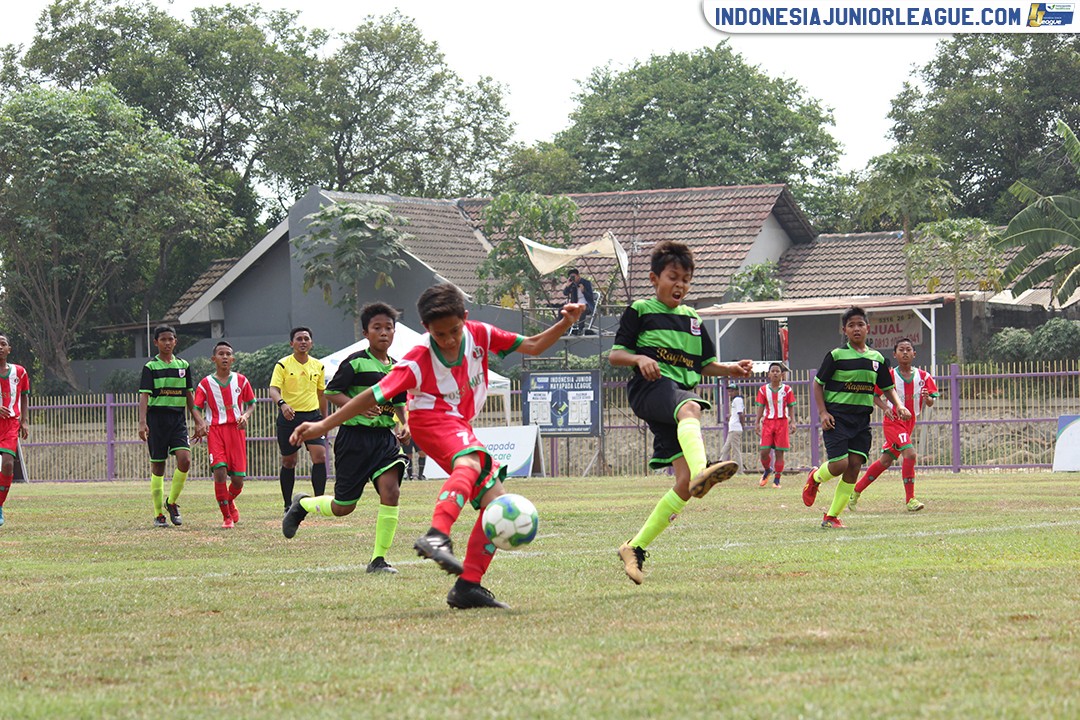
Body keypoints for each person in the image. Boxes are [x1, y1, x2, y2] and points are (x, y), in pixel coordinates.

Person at [290, 283, 585, 609]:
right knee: (470, 462)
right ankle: (437, 534)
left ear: (465, 318)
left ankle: (468, 586)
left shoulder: (480, 334)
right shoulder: (417, 358)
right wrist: (321, 425)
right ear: (425, 329)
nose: (447, 340)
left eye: (454, 331)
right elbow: (370, 396)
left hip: (459, 424)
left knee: (495, 502)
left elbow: (532, 344)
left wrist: (564, 323)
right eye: (439, 334)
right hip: (430, 422)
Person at [609, 240, 753, 585]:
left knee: (685, 485)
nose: (681, 285)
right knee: (690, 406)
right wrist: (640, 358)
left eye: (686, 280)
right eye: (674, 277)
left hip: (674, 397)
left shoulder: (692, 319)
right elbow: (616, 355)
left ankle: (635, 547)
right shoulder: (640, 311)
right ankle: (705, 468)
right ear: (653, 278)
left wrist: (730, 368)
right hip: (651, 390)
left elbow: (704, 365)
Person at [282, 303, 411, 575]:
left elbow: (400, 403)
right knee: (343, 508)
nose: (384, 333)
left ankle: (378, 560)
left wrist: (405, 423)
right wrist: (359, 405)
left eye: (388, 328)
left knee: (391, 491)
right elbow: (331, 393)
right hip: (354, 439)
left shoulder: (398, 369)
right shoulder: (355, 361)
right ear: (366, 332)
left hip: (384, 440)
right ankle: (303, 504)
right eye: (377, 328)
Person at [802, 307, 911, 528]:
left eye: (860, 324)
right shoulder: (836, 356)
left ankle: (831, 517)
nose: (856, 329)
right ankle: (814, 478)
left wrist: (898, 404)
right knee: (840, 464)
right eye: (851, 325)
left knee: (854, 466)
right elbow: (817, 383)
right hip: (837, 417)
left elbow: (887, 387)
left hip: (861, 421)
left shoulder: (877, 358)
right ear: (845, 330)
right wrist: (823, 412)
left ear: (867, 328)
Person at [849, 338, 938, 513]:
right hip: (893, 422)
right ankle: (910, 499)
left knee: (886, 461)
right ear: (895, 354)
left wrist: (927, 398)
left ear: (914, 353)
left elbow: (930, 402)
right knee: (910, 454)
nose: (905, 352)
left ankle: (855, 491)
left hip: (909, 423)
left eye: (908, 349)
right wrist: (885, 408)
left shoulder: (924, 376)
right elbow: (874, 395)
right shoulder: (889, 375)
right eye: (901, 350)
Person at [138, 325, 205, 528]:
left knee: (185, 461)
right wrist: (142, 422)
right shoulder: (150, 368)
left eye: (171, 339)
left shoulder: (183, 365)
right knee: (158, 466)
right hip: (156, 420)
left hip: (177, 420)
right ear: (156, 342)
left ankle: (172, 502)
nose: (167, 343)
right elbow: (144, 396)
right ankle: (159, 513)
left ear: (176, 341)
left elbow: (189, 395)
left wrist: (198, 419)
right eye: (163, 339)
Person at [191, 341, 256, 529]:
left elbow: (251, 403)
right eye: (221, 354)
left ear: (233, 358)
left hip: (236, 431)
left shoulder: (241, 380)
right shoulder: (205, 383)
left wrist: (245, 415)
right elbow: (196, 407)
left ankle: (229, 500)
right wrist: (201, 422)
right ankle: (227, 517)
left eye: (228, 354)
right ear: (214, 359)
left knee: (238, 481)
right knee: (220, 472)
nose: (225, 357)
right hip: (216, 431)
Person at [269, 327, 328, 514]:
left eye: (306, 339)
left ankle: (319, 501)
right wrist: (283, 405)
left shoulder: (318, 366)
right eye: (299, 339)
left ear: (311, 343)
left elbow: (322, 394)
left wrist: (325, 421)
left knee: (320, 457)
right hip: (289, 418)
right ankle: (288, 504)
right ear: (291, 343)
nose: (303, 342)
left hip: (312, 417)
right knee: (289, 461)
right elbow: (273, 389)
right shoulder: (283, 364)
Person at [0, 333, 30, 527]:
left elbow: (25, 396)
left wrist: (25, 421)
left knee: (8, 464)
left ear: (9, 349)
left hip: (11, 423)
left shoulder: (19, 372)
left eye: (3, 344)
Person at [754, 362, 797, 488]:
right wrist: (757, 422)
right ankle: (767, 470)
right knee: (764, 451)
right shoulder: (763, 390)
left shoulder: (787, 390)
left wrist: (793, 422)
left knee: (779, 453)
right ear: (768, 374)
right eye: (772, 371)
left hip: (782, 423)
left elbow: (791, 407)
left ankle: (777, 480)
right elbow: (761, 407)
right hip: (768, 422)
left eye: (777, 371)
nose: (775, 373)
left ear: (782, 374)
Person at [718, 384, 745, 469]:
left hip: (735, 428)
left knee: (735, 451)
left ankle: (740, 470)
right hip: (732, 428)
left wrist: (742, 425)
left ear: (737, 391)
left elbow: (741, 414)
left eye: (732, 391)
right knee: (725, 449)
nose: (730, 393)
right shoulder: (735, 401)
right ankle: (719, 466)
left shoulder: (738, 400)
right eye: (729, 391)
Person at [562, 268, 596, 335]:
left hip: (587, 305)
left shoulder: (586, 283)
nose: (573, 278)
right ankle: (564, 330)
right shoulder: (572, 284)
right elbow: (565, 293)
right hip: (575, 305)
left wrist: (584, 291)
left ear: (578, 276)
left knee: (581, 309)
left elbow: (591, 297)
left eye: (574, 276)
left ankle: (580, 329)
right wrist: (567, 286)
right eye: (571, 277)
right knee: (562, 310)